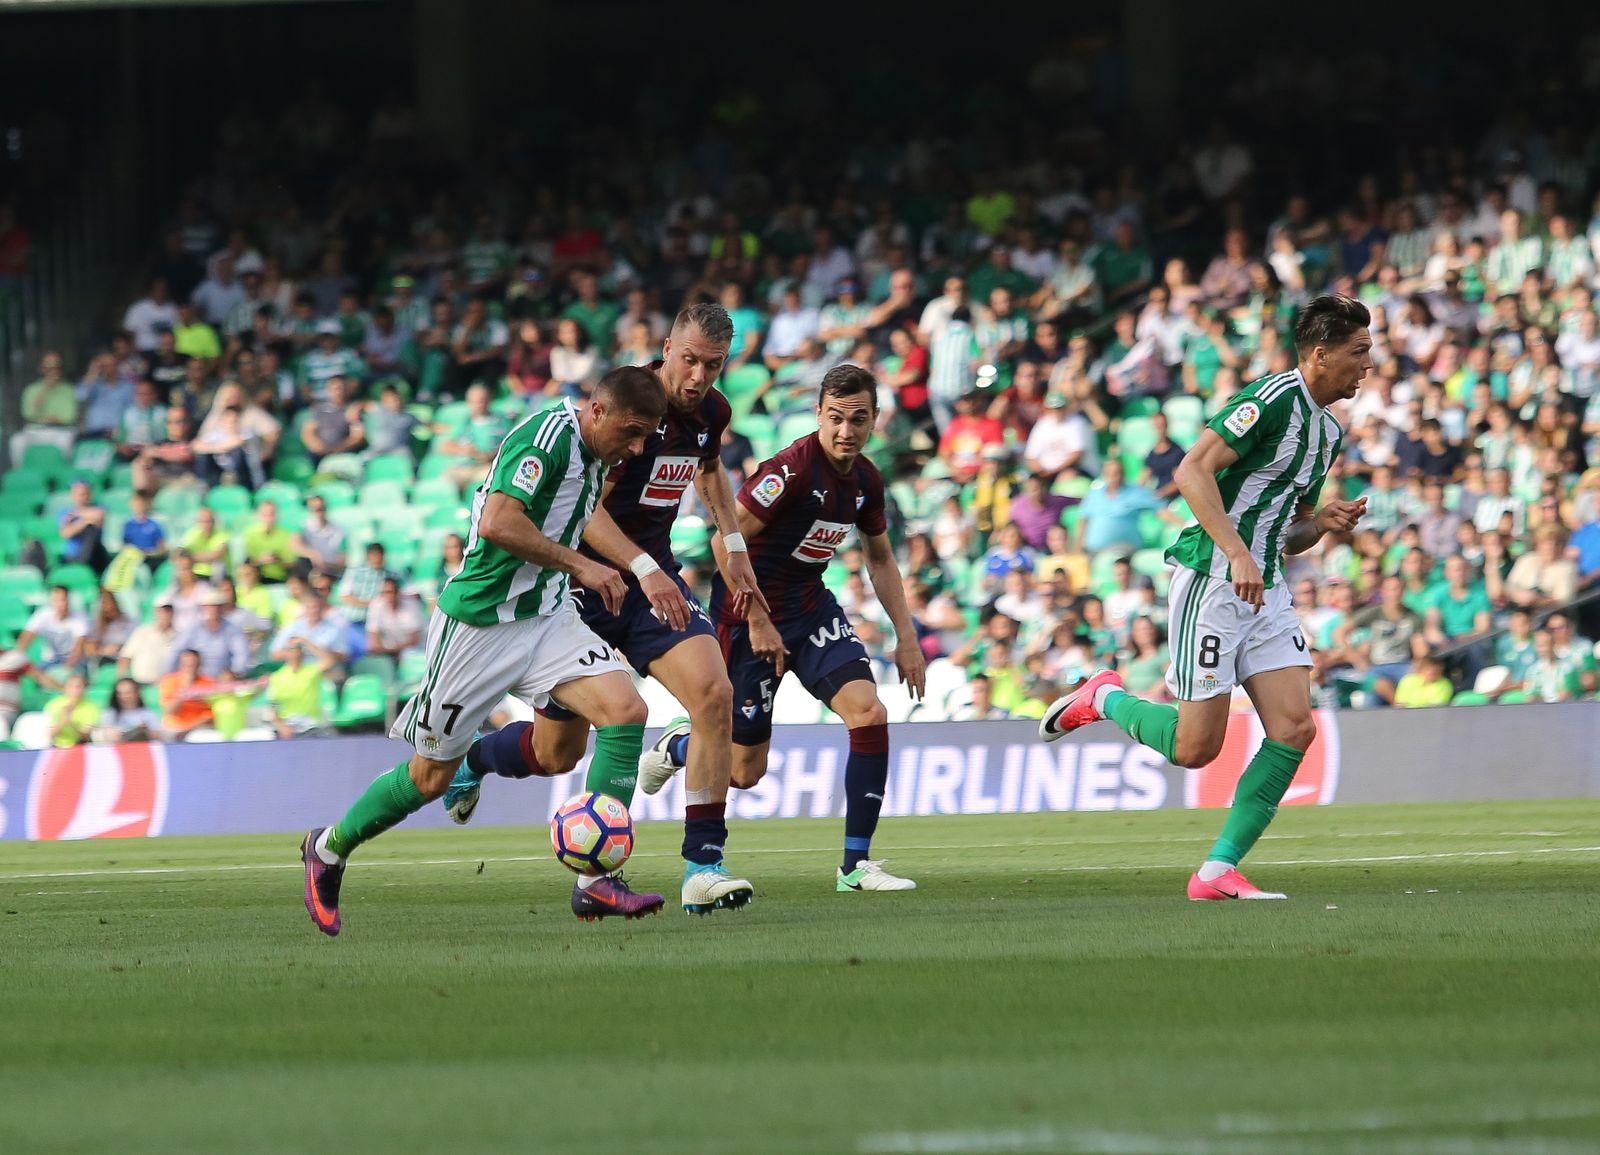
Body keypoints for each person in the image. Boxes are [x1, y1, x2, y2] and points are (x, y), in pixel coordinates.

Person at [300, 365, 670, 937]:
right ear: (599, 412)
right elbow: (499, 522)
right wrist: (582, 565)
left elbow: (582, 507)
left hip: (546, 615)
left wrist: (638, 565)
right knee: (428, 779)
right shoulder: (545, 438)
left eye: (647, 435)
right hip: (478, 627)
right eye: (633, 431)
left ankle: (594, 884)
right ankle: (327, 850)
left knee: (620, 715)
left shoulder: (599, 454)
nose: (638, 447)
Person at [1041, 294, 1373, 901]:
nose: (1367, 364)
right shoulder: (1271, 400)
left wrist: (1321, 523)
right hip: (1213, 579)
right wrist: (1238, 551)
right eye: (1359, 352)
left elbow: (1289, 530)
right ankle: (1104, 697)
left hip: (1265, 586)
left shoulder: (1327, 432)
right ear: (1321, 355)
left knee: (1296, 727)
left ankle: (1217, 871)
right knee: (1196, 748)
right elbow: (1191, 470)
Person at [443, 303, 765, 916]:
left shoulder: (712, 413)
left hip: (656, 583)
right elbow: (586, 510)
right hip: (587, 585)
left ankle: (702, 866)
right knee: (554, 754)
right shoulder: (630, 406)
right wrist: (637, 568)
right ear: (665, 347)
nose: (698, 377)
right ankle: (476, 758)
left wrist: (732, 541)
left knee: (713, 694)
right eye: (689, 359)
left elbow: (710, 471)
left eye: (713, 365)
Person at [679, 365, 927, 891]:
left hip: (810, 610)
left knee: (869, 711)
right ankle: (683, 747)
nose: (846, 431)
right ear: (818, 414)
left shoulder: (865, 482)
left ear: (874, 421)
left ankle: (854, 867)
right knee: (745, 772)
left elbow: (880, 560)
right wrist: (756, 617)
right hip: (748, 618)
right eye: (835, 418)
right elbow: (725, 542)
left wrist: (907, 637)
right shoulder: (789, 471)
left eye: (858, 420)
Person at [267, 639, 333, 738]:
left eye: (298, 649)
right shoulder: (277, 677)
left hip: (312, 727)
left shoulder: (310, 671)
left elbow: (329, 660)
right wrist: (282, 726)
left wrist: (306, 642)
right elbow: (273, 706)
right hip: (289, 727)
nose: (296, 653)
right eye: (291, 649)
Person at [18, 585, 89, 670]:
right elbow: (26, 637)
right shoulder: (42, 614)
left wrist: (66, 669)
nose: (62, 604)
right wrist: (18, 657)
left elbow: (78, 648)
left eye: (64, 599)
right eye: (57, 600)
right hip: (50, 662)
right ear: (52, 601)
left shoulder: (80, 617)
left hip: (75, 664)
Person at [118, 600, 177, 685]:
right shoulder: (142, 631)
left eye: (168, 611)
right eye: (161, 611)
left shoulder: (178, 635)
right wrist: (122, 682)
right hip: (140, 684)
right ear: (155, 613)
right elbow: (125, 657)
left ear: (173, 613)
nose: (164, 615)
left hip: (166, 685)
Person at [364, 576, 423, 658]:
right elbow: (373, 635)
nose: (386, 596)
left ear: (398, 592)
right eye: (383, 592)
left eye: (389, 592)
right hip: (388, 649)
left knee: (408, 653)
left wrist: (393, 651)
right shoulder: (376, 605)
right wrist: (383, 650)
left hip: (410, 650)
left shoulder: (411, 605)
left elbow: (414, 639)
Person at [92, 677, 161, 744]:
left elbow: (157, 735)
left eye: (128, 692)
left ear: (137, 693)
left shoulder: (147, 713)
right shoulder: (109, 713)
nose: (125, 696)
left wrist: (146, 732)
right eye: (120, 693)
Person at [44, 672, 101, 748]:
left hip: (79, 745)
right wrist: (62, 721)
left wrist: (71, 724)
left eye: (78, 686)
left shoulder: (91, 707)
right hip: (56, 746)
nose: (75, 690)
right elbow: (49, 735)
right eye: (71, 686)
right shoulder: (53, 705)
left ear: (84, 689)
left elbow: (86, 736)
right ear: (65, 688)